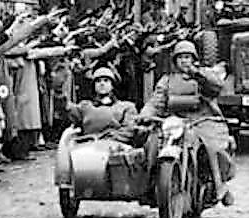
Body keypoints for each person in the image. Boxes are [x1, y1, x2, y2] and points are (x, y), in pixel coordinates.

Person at [139, 40, 234, 206]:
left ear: (194, 59)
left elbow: (217, 86)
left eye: (188, 57)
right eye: (181, 57)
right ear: (175, 60)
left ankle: (220, 185)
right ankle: (150, 186)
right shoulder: (167, 80)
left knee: (213, 146)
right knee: (152, 143)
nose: (184, 61)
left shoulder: (204, 75)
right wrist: (145, 114)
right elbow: (156, 101)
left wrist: (198, 74)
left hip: (203, 120)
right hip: (174, 121)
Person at [66, 66, 138, 140]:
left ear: (112, 85)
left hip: (114, 146)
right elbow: (67, 110)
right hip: (87, 146)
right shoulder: (85, 106)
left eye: (106, 80)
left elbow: (129, 130)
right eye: (98, 81)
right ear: (94, 86)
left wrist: (110, 137)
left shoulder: (125, 107)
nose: (102, 83)